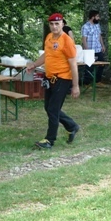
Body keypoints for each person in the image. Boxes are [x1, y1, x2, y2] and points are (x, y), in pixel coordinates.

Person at [25, 13, 80, 149]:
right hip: (50, 78)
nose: (54, 26)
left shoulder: (67, 41)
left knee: (53, 109)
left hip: (63, 78)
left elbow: (73, 64)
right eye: (52, 24)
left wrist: (75, 86)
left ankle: (49, 140)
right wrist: (34, 64)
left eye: (57, 24)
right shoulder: (49, 37)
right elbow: (46, 55)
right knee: (48, 108)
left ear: (62, 24)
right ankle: (72, 126)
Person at [80, 9, 108, 84]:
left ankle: (97, 80)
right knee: (89, 66)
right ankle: (87, 82)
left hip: (98, 49)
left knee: (102, 64)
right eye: (97, 16)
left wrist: (102, 45)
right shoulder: (85, 26)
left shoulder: (97, 25)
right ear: (93, 17)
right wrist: (87, 50)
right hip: (90, 49)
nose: (99, 18)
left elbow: (99, 36)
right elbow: (84, 39)